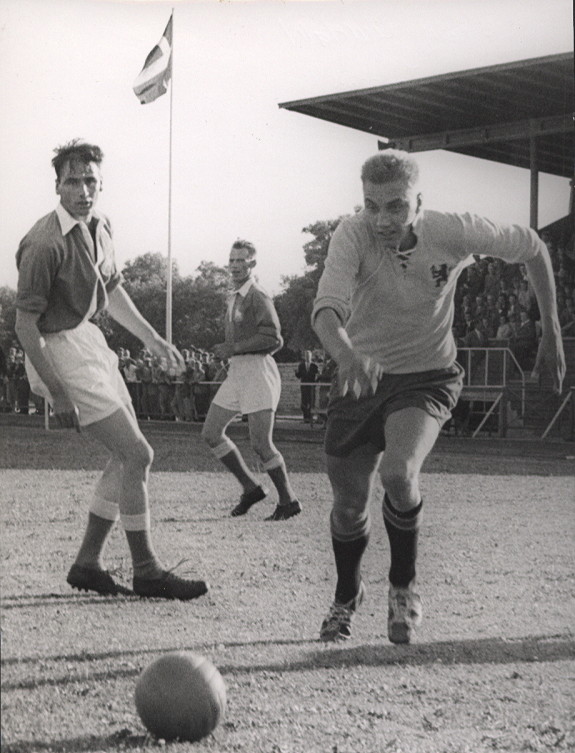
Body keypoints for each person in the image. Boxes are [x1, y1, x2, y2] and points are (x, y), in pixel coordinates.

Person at [312, 149, 565, 644]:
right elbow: (326, 310)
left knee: (399, 472)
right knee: (348, 506)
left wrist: (550, 330)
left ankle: (403, 588)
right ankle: (347, 594)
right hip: (360, 375)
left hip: (426, 375)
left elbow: (534, 247)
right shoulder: (352, 235)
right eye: (371, 206)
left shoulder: (454, 231)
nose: (382, 220)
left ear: (419, 203)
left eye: (396, 206)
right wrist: (347, 356)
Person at [14, 140, 208, 601]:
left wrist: (153, 339)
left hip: (87, 340)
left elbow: (113, 288)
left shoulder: (100, 225)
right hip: (56, 348)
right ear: (57, 185)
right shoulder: (43, 242)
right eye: (73, 181)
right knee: (138, 454)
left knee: (125, 456)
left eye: (91, 181)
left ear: (101, 184)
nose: (83, 191)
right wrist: (58, 391)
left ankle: (87, 563)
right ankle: (147, 569)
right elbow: (25, 325)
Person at [201, 239, 302, 521]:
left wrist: (234, 348)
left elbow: (274, 339)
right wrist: (228, 355)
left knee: (260, 444)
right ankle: (250, 488)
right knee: (211, 433)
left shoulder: (258, 295)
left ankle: (288, 500)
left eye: (241, 261)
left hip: (257, 372)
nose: (234, 266)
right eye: (232, 260)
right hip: (238, 372)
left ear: (252, 264)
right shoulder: (234, 296)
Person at [295, 350, 319, 422]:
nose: (307, 357)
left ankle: (311, 417)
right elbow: (299, 376)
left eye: (309, 356)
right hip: (304, 386)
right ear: (304, 357)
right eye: (306, 356)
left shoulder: (314, 366)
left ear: (311, 356)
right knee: (304, 402)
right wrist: (296, 373)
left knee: (311, 401)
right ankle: (305, 418)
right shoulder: (301, 365)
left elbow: (318, 375)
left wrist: (315, 383)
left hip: (311, 386)